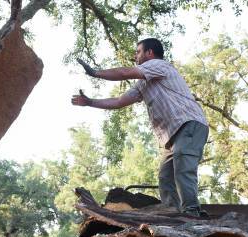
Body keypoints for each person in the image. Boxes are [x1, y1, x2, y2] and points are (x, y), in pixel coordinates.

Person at [71, 38, 209, 217]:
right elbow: (119, 101)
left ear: (150, 53)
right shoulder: (144, 83)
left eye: (138, 52)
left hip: (188, 124)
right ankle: (174, 213)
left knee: (183, 165)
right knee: (165, 177)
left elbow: (123, 73)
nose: (135, 56)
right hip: (172, 137)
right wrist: (89, 102)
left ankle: (192, 211)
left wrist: (96, 73)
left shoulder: (160, 65)